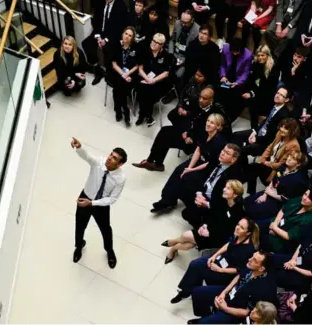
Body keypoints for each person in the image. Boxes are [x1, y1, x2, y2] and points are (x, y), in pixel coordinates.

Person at [133, 88, 229, 171]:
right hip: (188, 132)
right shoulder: (198, 103)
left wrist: (191, 138)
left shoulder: (216, 113)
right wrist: (185, 131)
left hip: (196, 142)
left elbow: (210, 133)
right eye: (200, 97)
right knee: (164, 131)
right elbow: (191, 117)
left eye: (204, 98)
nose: (200, 100)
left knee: (166, 138)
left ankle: (156, 163)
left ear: (211, 100)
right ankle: (152, 161)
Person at [169, 217, 260, 303]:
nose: (237, 228)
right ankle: (187, 290)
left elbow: (239, 270)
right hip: (220, 260)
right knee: (195, 264)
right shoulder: (238, 235)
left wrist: (219, 269)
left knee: (200, 268)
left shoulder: (249, 250)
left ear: (248, 233)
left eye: (242, 227)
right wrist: (215, 255)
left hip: (225, 273)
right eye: (238, 225)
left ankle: (189, 291)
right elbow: (228, 245)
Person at [69, 137, 127, 268]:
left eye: (114, 158)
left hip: (100, 204)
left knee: (106, 229)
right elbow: (87, 156)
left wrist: (93, 203)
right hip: (85, 197)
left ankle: (109, 251)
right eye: (110, 155)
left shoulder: (120, 178)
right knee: (79, 225)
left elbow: (112, 198)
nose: (109, 158)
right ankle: (79, 246)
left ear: (119, 164)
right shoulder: (99, 163)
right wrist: (79, 147)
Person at [161, 180, 247, 264]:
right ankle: (173, 248)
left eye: (228, 188)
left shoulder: (238, 212)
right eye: (225, 187)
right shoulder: (222, 199)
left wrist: (209, 233)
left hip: (217, 238)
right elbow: (211, 213)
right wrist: (204, 225)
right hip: (208, 227)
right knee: (189, 244)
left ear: (235, 194)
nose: (224, 189)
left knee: (186, 236)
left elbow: (227, 232)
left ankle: (173, 245)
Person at [188, 251, 277, 324]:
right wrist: (223, 293)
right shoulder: (250, 266)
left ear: (261, 268)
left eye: (255, 260)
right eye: (252, 256)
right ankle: (206, 316)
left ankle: (205, 321)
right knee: (198, 292)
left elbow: (246, 312)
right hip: (232, 294)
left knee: (204, 323)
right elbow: (238, 276)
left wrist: (225, 308)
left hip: (237, 309)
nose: (249, 259)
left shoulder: (264, 289)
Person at [150, 143, 241, 214]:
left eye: (227, 153)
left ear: (233, 159)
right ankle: (167, 201)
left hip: (211, 195)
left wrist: (203, 197)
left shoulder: (233, 176)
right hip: (206, 182)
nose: (222, 153)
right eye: (223, 150)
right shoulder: (220, 158)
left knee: (188, 204)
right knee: (183, 174)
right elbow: (208, 164)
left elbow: (221, 197)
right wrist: (191, 169)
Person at [244, 151, 309, 221]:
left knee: (254, 210)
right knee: (247, 201)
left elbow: (286, 199)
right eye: (290, 156)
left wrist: (269, 193)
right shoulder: (283, 167)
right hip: (271, 191)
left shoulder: (297, 180)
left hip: (278, 201)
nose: (289, 158)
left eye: (293, 158)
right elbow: (273, 181)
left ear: (298, 164)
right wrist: (265, 195)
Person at [243, 118, 302, 195]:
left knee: (254, 168)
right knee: (253, 167)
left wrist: (265, 163)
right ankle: (251, 191)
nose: (282, 129)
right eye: (282, 126)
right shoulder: (279, 134)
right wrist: (262, 159)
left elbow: (282, 164)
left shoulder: (294, 145)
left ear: (292, 131)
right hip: (270, 160)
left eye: (286, 128)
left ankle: (250, 191)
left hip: (276, 169)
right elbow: (270, 147)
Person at [232, 87, 291, 161]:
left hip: (266, 142)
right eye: (277, 93)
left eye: (281, 95)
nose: (277, 96)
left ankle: (240, 164)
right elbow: (265, 122)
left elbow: (272, 136)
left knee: (241, 150)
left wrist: (256, 138)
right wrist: (254, 132)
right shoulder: (274, 105)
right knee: (236, 135)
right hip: (260, 133)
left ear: (287, 99)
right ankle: (237, 160)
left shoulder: (284, 115)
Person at [257, 190, 312, 254]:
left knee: (258, 237)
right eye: (305, 194)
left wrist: (275, 229)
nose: (304, 198)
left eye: (309, 198)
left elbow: (289, 236)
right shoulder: (300, 200)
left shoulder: (311, 219)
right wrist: (275, 224)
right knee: (255, 225)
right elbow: (283, 209)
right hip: (276, 222)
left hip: (282, 241)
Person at [81, 0, 128, 86]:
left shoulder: (120, 6)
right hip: (99, 32)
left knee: (108, 49)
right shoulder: (100, 2)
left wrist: (105, 40)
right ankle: (98, 70)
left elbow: (119, 27)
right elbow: (95, 21)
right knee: (86, 44)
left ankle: (109, 74)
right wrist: (98, 37)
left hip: (112, 35)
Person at [136, 33, 173, 126]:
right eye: (153, 40)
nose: (154, 43)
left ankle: (145, 115)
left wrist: (153, 80)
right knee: (142, 88)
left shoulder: (166, 55)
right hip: (144, 77)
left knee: (149, 90)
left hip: (159, 82)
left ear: (162, 45)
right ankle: (145, 115)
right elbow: (140, 69)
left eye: (157, 42)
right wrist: (147, 79)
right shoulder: (145, 51)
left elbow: (166, 73)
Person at [241, 45, 280, 129]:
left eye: (263, 55)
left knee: (255, 102)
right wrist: (251, 92)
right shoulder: (256, 64)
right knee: (251, 103)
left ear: (267, 55)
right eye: (258, 55)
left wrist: (252, 94)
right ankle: (253, 129)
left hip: (268, 95)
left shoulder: (273, 67)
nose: (260, 58)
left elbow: (269, 87)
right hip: (257, 92)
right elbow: (251, 80)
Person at [218, 38, 253, 121]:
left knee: (234, 96)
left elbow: (245, 73)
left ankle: (228, 118)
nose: (234, 53)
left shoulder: (248, 55)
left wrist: (237, 82)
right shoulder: (226, 48)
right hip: (227, 75)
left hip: (238, 79)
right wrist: (223, 76)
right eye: (233, 51)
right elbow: (222, 64)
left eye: (236, 51)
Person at [111, 27, 139, 126]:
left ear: (132, 38)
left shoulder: (135, 48)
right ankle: (125, 110)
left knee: (117, 88)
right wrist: (123, 74)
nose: (127, 36)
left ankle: (118, 109)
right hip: (118, 72)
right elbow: (114, 64)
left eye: (130, 35)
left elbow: (137, 66)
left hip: (130, 74)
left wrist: (127, 74)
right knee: (119, 84)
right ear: (123, 34)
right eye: (126, 34)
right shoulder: (116, 45)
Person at [168, 11, 200, 85]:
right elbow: (172, 40)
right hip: (174, 53)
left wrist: (184, 61)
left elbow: (194, 52)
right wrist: (170, 53)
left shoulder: (197, 30)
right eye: (182, 21)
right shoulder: (177, 23)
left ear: (192, 20)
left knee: (179, 75)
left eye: (186, 23)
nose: (183, 24)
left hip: (185, 58)